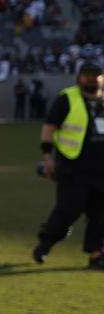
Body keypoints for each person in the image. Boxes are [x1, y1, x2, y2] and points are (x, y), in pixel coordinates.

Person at [33, 63, 104, 268]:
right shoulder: (67, 98)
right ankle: (46, 242)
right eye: (87, 75)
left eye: (96, 75)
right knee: (68, 210)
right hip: (73, 168)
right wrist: (47, 158)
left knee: (100, 215)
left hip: (101, 170)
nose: (92, 79)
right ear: (79, 77)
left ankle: (97, 255)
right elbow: (49, 128)